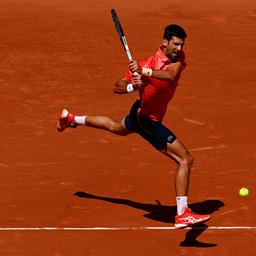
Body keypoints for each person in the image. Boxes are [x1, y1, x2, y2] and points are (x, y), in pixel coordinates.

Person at [57, 24, 211, 228]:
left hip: (138, 112)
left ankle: (72, 119)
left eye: (182, 45)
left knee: (115, 127)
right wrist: (133, 85)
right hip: (148, 120)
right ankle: (182, 213)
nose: (179, 49)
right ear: (164, 42)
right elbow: (117, 86)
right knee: (185, 159)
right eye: (175, 44)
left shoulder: (175, 61)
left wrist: (144, 72)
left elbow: (170, 75)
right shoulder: (147, 62)